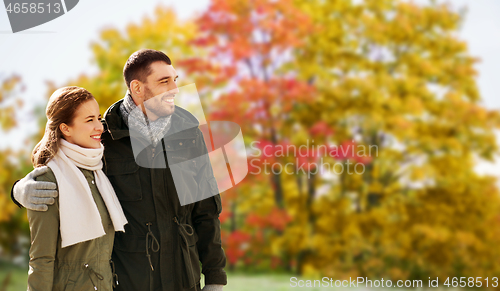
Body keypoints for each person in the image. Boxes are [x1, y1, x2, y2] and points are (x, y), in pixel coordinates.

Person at [13, 49, 227, 291]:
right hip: (128, 281)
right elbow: (62, 164)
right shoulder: (105, 137)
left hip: (184, 280)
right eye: (164, 81)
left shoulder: (188, 134)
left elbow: (206, 210)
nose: (175, 89)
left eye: (174, 80)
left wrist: (215, 277)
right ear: (137, 88)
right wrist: (19, 190)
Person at [26, 86, 128, 291]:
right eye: (89, 120)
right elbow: (41, 258)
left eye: (98, 118)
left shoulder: (99, 171)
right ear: (66, 128)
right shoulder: (48, 179)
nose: (99, 127)